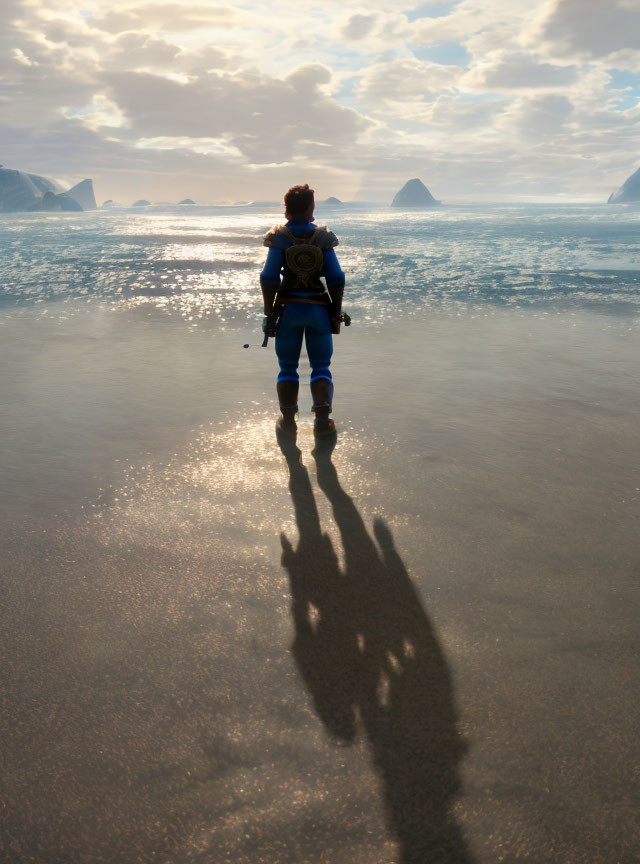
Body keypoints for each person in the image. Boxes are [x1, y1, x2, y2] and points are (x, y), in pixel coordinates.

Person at [260, 184, 346, 438]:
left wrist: (270, 313)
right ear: (310, 208)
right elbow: (337, 277)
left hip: (288, 309)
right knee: (321, 366)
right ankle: (322, 421)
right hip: (318, 310)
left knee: (287, 367)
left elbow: (268, 277)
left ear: (287, 209)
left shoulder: (279, 236)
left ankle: (288, 421)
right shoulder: (322, 237)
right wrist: (335, 311)